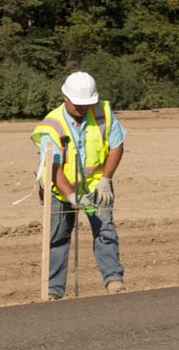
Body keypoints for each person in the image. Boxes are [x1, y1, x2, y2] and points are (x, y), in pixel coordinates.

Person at [31, 72, 127, 299]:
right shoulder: (52, 126)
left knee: (105, 231)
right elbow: (53, 168)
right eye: (79, 104)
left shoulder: (103, 113)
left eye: (88, 103)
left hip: (96, 186)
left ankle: (113, 279)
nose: (84, 108)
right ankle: (53, 290)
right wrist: (72, 196)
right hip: (60, 189)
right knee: (58, 237)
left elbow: (116, 146)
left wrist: (106, 179)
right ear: (65, 97)